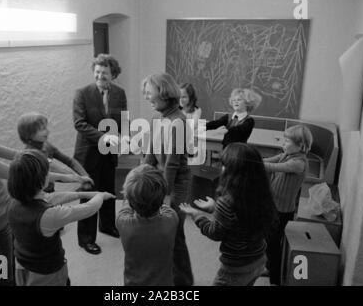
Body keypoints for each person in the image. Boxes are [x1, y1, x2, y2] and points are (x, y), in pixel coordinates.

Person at [0, 90, 80, 286]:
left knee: (12, 270)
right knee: (2, 276)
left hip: (5, 216)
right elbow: (22, 172)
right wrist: (66, 176)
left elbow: (18, 156)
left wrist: (48, 161)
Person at [7, 149, 115, 286]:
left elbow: (52, 197)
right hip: (47, 273)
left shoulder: (14, 202)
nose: (50, 176)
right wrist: (100, 196)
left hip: (22, 265)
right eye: (48, 173)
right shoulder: (47, 215)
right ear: (40, 180)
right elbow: (87, 209)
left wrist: (84, 192)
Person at [180, 143, 276, 286]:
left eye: (224, 165)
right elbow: (241, 219)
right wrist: (214, 208)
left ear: (233, 172)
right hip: (259, 260)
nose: (221, 169)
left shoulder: (226, 202)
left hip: (236, 269)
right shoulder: (260, 192)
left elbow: (215, 233)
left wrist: (196, 215)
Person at [73, 54, 127, 254]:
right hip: (88, 154)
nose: (100, 76)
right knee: (89, 195)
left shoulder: (120, 93)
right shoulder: (82, 93)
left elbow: (123, 120)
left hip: (109, 152)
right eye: (97, 71)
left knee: (107, 189)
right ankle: (86, 238)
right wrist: (104, 137)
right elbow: (80, 124)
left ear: (113, 74)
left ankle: (107, 225)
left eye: (104, 72)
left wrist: (124, 136)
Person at [143, 72, 194, 286]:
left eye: (149, 92)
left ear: (164, 93)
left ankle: (184, 282)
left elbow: (172, 163)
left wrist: (164, 195)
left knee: (174, 233)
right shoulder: (159, 117)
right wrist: (139, 177)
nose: (147, 97)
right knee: (164, 234)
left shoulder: (178, 121)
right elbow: (151, 152)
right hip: (162, 179)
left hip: (175, 184)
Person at [263, 124, 313, 285]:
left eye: (287, 142)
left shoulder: (298, 163)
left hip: (282, 212)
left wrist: (255, 163)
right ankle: (270, 268)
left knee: (273, 246)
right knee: (267, 241)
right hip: (273, 207)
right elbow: (267, 161)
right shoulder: (286, 155)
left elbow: (271, 166)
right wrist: (252, 157)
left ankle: (275, 280)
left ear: (301, 146)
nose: (283, 144)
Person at [116, 164, 178, 286]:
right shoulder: (172, 218)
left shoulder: (122, 221)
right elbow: (164, 205)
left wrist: (132, 191)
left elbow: (126, 203)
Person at [17, 111, 94, 193]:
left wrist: (84, 175)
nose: (47, 131)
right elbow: (58, 174)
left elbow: (70, 161)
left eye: (46, 127)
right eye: (42, 129)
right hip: (36, 198)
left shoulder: (47, 145)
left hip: (50, 192)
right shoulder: (30, 155)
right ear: (29, 134)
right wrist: (80, 179)